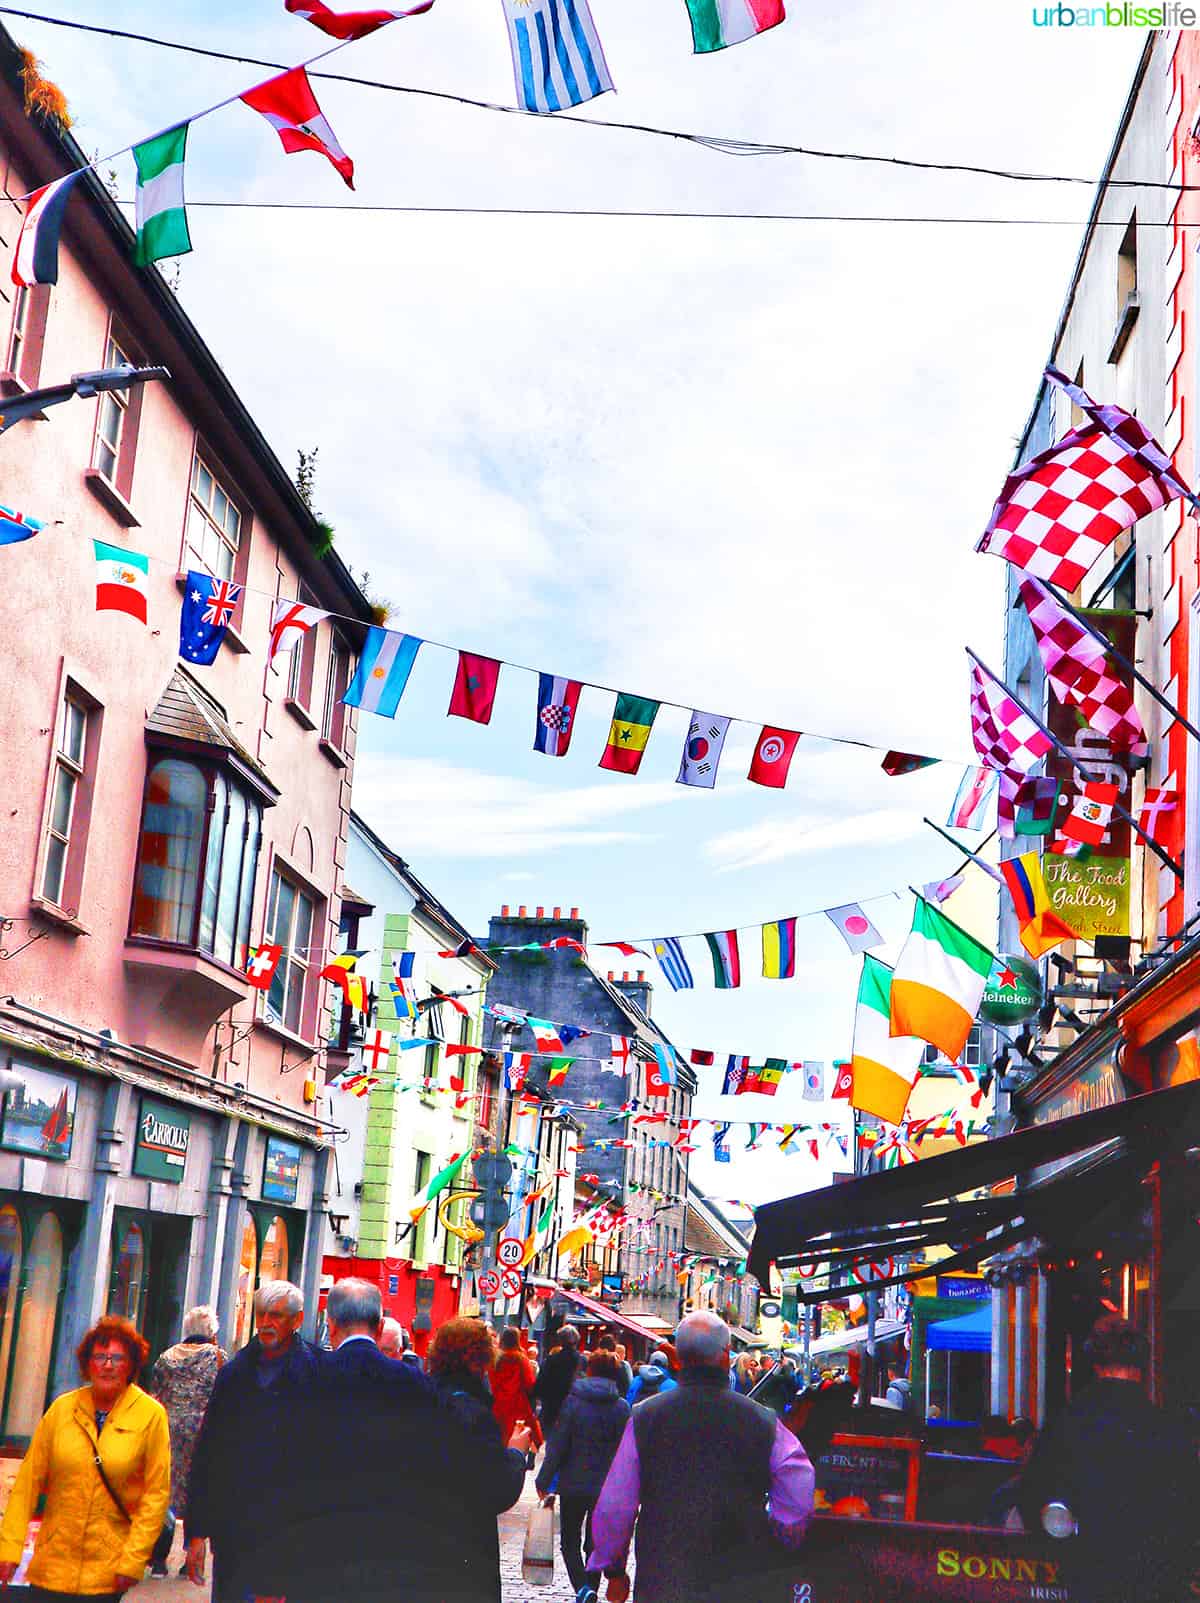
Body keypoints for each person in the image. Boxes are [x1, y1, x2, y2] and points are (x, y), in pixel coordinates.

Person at [590, 1310, 814, 1603]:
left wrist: (614, 1569)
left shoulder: (645, 1418)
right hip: (740, 1574)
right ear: (726, 1355)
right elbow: (798, 1491)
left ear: (678, 1359)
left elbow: (616, 1504)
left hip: (665, 1574)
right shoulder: (762, 1421)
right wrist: (782, 1539)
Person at [1018, 1314, 1200, 1602]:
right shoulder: (1169, 1428)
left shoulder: (1068, 1422)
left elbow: (1033, 1497)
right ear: (1143, 1367)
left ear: (1094, 1363)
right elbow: (1189, 1507)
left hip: (1088, 1572)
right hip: (1156, 1579)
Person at [0, 1315, 170, 1601]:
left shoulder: (151, 1415)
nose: (107, 1365)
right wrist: (9, 1549)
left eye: (117, 1358)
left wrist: (133, 1559)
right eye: (100, 1357)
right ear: (87, 1363)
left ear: (131, 1365)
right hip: (52, 1568)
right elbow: (27, 1485)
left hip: (106, 1573)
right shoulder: (62, 1410)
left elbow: (156, 1496)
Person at [185, 1279, 320, 1601]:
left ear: (297, 1320)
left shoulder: (317, 1374)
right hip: (236, 1529)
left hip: (289, 1534)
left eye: (276, 1315)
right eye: (261, 1314)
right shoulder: (235, 1374)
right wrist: (197, 1532)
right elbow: (208, 1453)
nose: (266, 1323)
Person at [427, 1317, 532, 1603]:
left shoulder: (419, 1398)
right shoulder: (474, 1414)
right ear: (478, 1362)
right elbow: (496, 1491)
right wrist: (515, 1453)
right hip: (467, 1549)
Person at [536, 1349, 631, 1600]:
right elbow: (627, 1451)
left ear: (588, 1370)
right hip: (606, 1488)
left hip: (573, 1484)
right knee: (594, 1543)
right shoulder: (621, 1408)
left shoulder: (573, 1402)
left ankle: (582, 1588)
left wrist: (543, 1479)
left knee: (569, 1540)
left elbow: (558, 1444)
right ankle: (590, 1586)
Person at [147, 1305, 226, 1577]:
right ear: (212, 1332)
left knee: (163, 1494)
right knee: (196, 1492)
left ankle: (158, 1559)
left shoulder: (166, 1357)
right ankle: (188, 1560)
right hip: (203, 1433)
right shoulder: (217, 1357)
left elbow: (154, 1395)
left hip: (167, 1431)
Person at [492, 1325, 542, 1453]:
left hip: (497, 1405)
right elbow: (530, 1384)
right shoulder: (520, 1359)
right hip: (517, 1405)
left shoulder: (495, 1359)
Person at [533, 1322, 581, 1435]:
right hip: (575, 1406)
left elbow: (541, 1383)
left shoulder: (552, 1360)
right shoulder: (582, 1360)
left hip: (552, 1407)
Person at [596, 1333, 633, 1398]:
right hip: (616, 1399)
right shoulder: (621, 1365)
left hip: (597, 1398)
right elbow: (628, 1385)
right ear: (614, 1348)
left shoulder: (595, 1361)